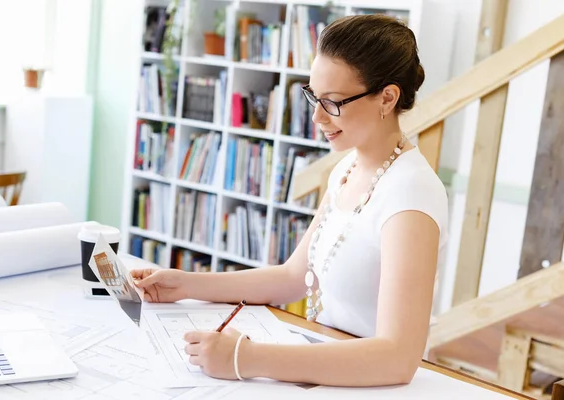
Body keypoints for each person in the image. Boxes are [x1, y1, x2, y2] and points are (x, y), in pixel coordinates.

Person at [131, 13, 449, 387]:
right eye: (313, 96)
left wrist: (246, 358)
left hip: (371, 384)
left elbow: (397, 358)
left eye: (333, 103)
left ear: (387, 97)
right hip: (328, 364)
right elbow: (293, 277)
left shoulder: (411, 193)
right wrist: (186, 285)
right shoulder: (347, 168)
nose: (316, 116)